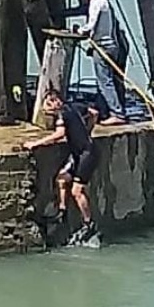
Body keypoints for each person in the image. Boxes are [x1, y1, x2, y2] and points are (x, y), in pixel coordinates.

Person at [24, 89, 100, 246]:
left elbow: (59, 134)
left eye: (46, 105)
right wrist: (88, 132)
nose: (45, 110)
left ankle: (89, 224)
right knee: (62, 179)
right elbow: (94, 113)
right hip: (82, 152)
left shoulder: (61, 114)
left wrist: (35, 143)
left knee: (77, 191)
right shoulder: (74, 106)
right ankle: (62, 212)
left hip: (87, 155)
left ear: (55, 102)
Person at [58, 0, 130, 112]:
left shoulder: (96, 4)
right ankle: (109, 108)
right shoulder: (100, 3)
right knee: (107, 78)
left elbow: (86, 22)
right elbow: (78, 11)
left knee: (112, 79)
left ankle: (117, 110)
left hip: (116, 45)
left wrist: (58, 15)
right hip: (111, 44)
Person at [76, 0, 127, 126]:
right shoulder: (105, 1)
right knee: (107, 81)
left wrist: (79, 30)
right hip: (112, 46)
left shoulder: (96, 2)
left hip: (103, 48)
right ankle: (102, 109)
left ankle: (117, 113)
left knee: (105, 82)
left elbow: (91, 25)